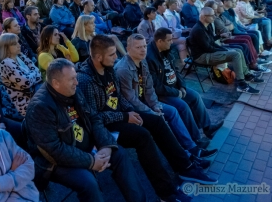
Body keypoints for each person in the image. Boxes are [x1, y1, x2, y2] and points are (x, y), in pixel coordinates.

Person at [76, 36, 217, 198]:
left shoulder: (109, 68)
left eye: (115, 53)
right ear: (98, 57)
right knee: (143, 136)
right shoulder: (85, 80)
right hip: (104, 127)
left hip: (120, 116)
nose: (116, 58)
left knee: (156, 121)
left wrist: (131, 112)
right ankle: (167, 192)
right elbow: (95, 117)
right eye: (112, 55)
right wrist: (125, 116)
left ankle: (186, 167)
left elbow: (120, 97)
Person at [26, 59, 148, 202]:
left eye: (76, 78)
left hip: (86, 147)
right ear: (56, 83)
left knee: (119, 154)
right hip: (56, 162)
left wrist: (106, 146)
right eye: (72, 79)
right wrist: (91, 161)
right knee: (88, 183)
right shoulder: (40, 107)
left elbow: (94, 118)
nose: (77, 83)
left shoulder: (73, 91)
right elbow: (54, 150)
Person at [147, 28, 225, 139]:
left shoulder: (166, 49)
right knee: (183, 106)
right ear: (160, 41)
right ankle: (196, 138)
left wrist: (182, 86)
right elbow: (156, 86)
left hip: (174, 87)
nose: (172, 42)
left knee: (195, 96)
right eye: (169, 40)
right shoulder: (150, 58)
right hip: (162, 93)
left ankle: (207, 128)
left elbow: (176, 70)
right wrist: (176, 92)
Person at [189, 7, 262, 94]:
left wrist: (220, 36)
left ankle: (247, 75)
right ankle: (241, 84)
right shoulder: (198, 30)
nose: (214, 17)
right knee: (235, 54)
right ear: (204, 17)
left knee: (238, 50)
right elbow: (208, 48)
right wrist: (223, 49)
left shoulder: (206, 26)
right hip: (201, 56)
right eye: (212, 15)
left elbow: (211, 41)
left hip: (207, 52)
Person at [0, 33, 41, 120]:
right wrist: (33, 74)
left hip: (33, 96)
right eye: (15, 44)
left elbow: (38, 73)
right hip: (20, 104)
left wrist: (31, 76)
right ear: (6, 47)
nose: (19, 45)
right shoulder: (6, 63)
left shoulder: (20, 56)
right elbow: (26, 82)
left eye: (18, 42)